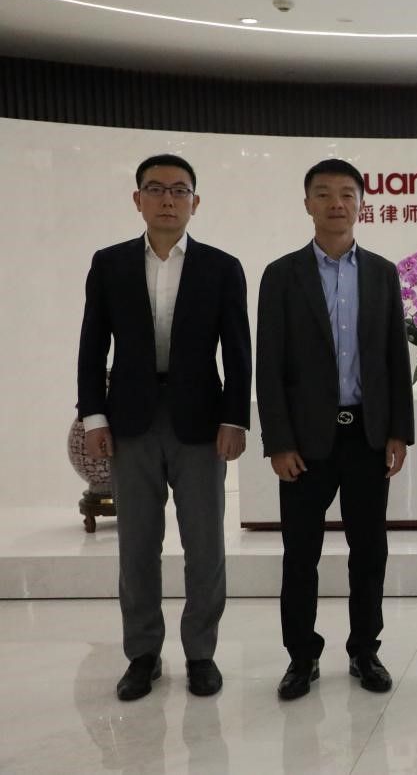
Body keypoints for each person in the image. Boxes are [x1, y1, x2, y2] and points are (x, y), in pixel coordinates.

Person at [77, 154, 251, 701]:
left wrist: (235, 418)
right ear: (138, 200)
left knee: (205, 544)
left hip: (200, 422)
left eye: (179, 190)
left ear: (195, 202)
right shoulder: (110, 264)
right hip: (130, 421)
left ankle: (201, 653)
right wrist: (93, 416)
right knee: (136, 544)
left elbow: (238, 351)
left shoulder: (222, 267)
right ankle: (142, 654)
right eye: (156, 189)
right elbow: (91, 346)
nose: (168, 199)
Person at [256, 158, 414, 700]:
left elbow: (394, 358)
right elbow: (269, 364)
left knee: (369, 552)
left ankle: (364, 650)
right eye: (323, 194)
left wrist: (398, 432)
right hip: (305, 444)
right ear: (307, 204)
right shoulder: (282, 274)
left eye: (347, 194)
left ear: (361, 204)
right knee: (301, 555)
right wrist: (278, 442)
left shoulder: (382, 273)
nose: (336, 203)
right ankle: (301, 657)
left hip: (367, 438)